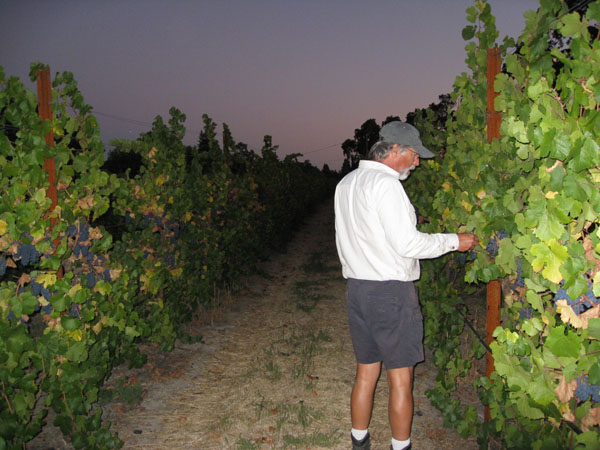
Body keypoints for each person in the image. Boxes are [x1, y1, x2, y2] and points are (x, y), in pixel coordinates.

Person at [334, 121, 479, 450]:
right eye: (414, 154)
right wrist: (455, 241)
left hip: (357, 291)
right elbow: (408, 245)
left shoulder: (346, 184)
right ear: (395, 150)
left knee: (366, 372)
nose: (417, 162)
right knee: (401, 380)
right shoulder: (387, 186)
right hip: (390, 295)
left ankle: (359, 442)